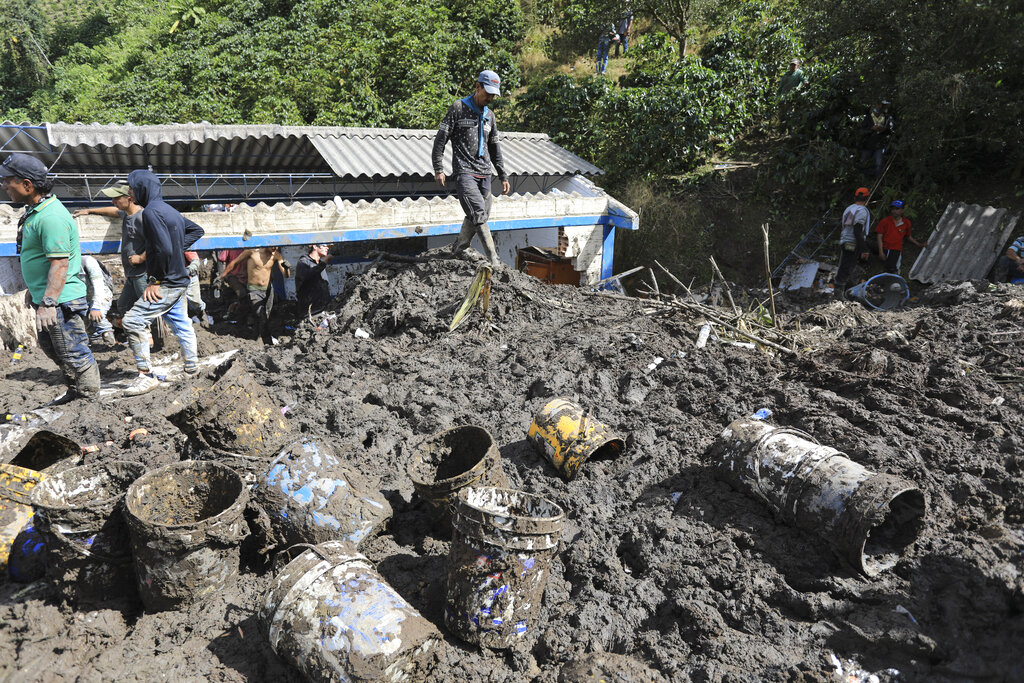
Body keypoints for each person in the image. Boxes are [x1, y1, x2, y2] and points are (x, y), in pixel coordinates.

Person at [1, 153, 99, 403]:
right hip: (49, 299)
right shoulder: (37, 211)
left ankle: (89, 401)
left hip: (61, 301)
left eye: (7, 180)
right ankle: (76, 391)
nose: (4, 186)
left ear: (27, 185)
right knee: (55, 348)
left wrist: (48, 302)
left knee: (73, 351)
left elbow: (59, 263)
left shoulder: (51, 217)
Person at [121, 169, 205, 395]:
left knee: (131, 321)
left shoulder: (150, 213)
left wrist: (155, 280)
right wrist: (179, 249)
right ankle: (191, 368)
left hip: (166, 282)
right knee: (181, 322)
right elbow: (197, 230)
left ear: (142, 189)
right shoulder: (170, 211)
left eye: (131, 188)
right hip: (179, 281)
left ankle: (146, 376)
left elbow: (163, 248)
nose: (129, 192)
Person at [431, 70, 511, 267]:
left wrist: (502, 175)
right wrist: (438, 168)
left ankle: (461, 247)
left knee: (479, 215)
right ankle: (494, 259)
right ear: (477, 87)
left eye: (494, 95)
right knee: (478, 212)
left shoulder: (489, 116)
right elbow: (440, 140)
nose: (491, 98)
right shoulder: (458, 108)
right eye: (488, 93)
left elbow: (495, 148)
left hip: (485, 173)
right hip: (465, 171)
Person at [73, 184, 146, 316]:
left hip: (143, 273)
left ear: (129, 198)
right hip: (131, 273)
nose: (113, 201)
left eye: (116, 198)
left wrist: (141, 258)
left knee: (150, 306)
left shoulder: (143, 217)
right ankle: (141, 331)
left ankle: (150, 334)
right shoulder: (127, 214)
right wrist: (89, 211)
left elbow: (157, 243)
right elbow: (113, 211)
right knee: (123, 305)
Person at [217, 246, 289, 342]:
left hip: (268, 290)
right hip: (254, 290)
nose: (275, 249)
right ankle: (267, 342)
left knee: (266, 315)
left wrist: (287, 268)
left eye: (276, 246)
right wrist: (221, 277)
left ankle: (255, 337)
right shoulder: (252, 252)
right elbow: (234, 263)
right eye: (273, 247)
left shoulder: (276, 255)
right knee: (261, 314)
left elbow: (285, 275)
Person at [835, 187, 872, 296]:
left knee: (845, 265)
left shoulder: (849, 208)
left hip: (845, 241)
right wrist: (864, 249)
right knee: (847, 267)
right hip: (852, 242)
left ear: (855, 197)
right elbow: (857, 231)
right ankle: (839, 294)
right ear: (867, 198)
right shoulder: (862, 211)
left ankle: (843, 292)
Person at [874, 200, 926, 274]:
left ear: (902, 210)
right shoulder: (885, 221)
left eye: (897, 209)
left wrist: (919, 244)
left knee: (893, 268)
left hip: (896, 249)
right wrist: (881, 251)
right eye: (893, 209)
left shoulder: (906, 223)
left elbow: (908, 236)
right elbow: (879, 236)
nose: (894, 211)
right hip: (885, 247)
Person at [79, 255, 117, 345]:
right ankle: (95, 343)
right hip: (84, 297)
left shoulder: (88, 261)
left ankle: (109, 339)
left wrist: (96, 307)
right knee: (86, 324)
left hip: (102, 294)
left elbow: (98, 285)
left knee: (98, 318)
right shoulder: (61, 265)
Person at [295, 243, 333, 317]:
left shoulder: (319, 264)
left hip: (323, 310)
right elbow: (308, 275)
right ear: (315, 246)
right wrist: (324, 262)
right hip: (311, 313)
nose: (327, 248)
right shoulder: (303, 262)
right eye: (324, 245)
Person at [860, 100, 893, 178]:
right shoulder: (868, 118)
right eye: (878, 105)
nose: (880, 107)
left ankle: (877, 180)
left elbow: (890, 130)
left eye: (881, 105)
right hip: (867, 145)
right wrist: (871, 129)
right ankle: (865, 180)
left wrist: (883, 130)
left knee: (879, 163)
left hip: (880, 145)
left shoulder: (886, 117)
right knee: (864, 163)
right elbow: (861, 131)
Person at [184, 251, 212, 326]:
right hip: (171, 279)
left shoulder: (182, 244)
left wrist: (188, 270)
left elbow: (195, 260)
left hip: (188, 277)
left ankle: (201, 313)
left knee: (195, 301)